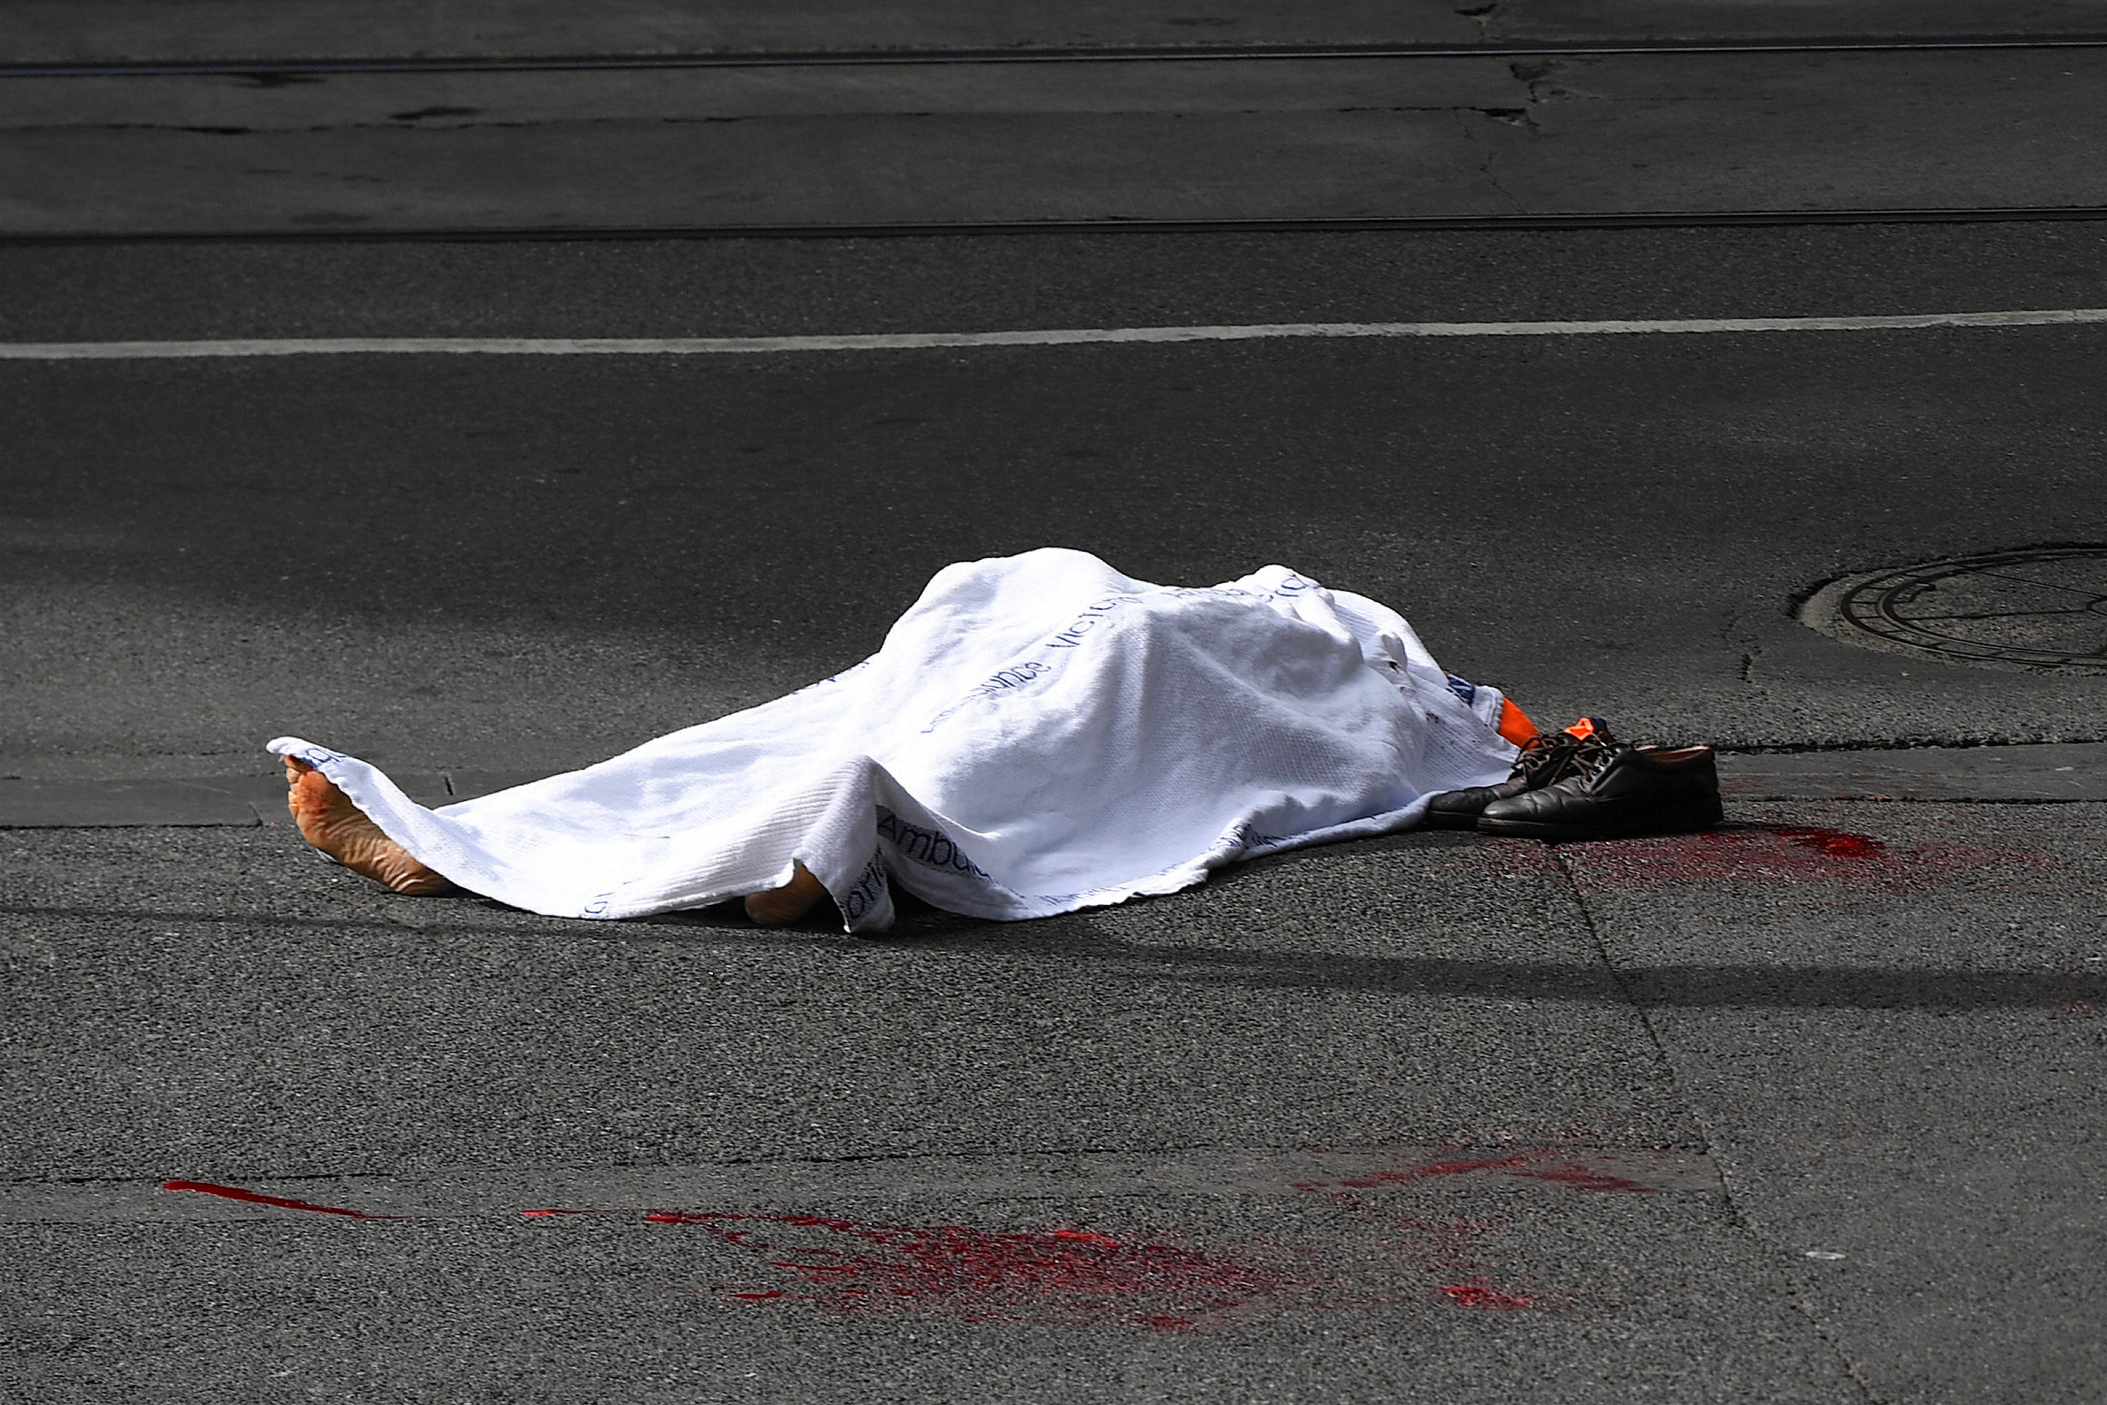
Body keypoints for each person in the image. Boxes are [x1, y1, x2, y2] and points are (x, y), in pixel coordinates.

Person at [277, 549, 1721, 930]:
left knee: (918, 748)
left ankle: (492, 847)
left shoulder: (1452, 724)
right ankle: (485, 845)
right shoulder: (1413, 684)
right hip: (1074, 622)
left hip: (1135, 662)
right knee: (868, 712)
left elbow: (1334, 761)